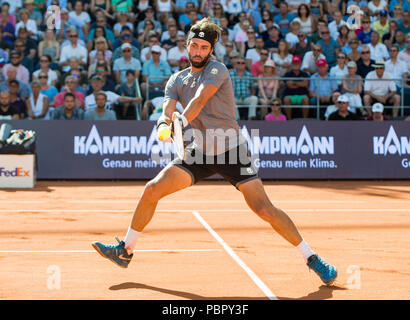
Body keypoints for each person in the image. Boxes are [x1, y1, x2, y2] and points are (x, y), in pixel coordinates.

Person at [91, 18, 338, 287]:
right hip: (198, 153)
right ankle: (125, 250)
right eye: (194, 45)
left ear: (211, 50)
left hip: (231, 150)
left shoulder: (217, 70)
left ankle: (311, 257)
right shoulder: (175, 80)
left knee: (264, 209)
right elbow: (166, 110)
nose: (197, 51)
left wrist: (179, 123)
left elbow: (199, 100)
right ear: (187, 45)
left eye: (203, 47)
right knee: (152, 190)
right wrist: (164, 123)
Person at [229, 55, 258, 120]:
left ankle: (251, 118)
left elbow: (252, 88)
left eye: (243, 63)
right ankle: (237, 119)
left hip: (246, 98)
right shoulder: (230, 75)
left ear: (245, 65)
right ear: (235, 64)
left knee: (254, 98)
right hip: (235, 97)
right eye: (238, 63)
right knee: (230, 100)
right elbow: (226, 88)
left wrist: (251, 95)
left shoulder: (249, 75)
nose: (240, 64)